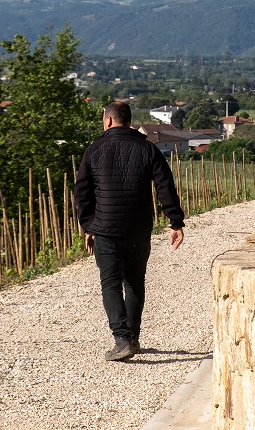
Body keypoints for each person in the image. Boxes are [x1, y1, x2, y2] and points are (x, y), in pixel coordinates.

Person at [75, 101, 184, 361]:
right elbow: (165, 185)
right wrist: (175, 221)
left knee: (110, 282)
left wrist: (88, 226)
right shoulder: (148, 148)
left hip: (106, 228)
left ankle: (122, 339)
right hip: (138, 228)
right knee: (135, 282)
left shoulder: (95, 149)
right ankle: (133, 338)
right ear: (129, 120)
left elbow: (82, 191)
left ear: (109, 121)